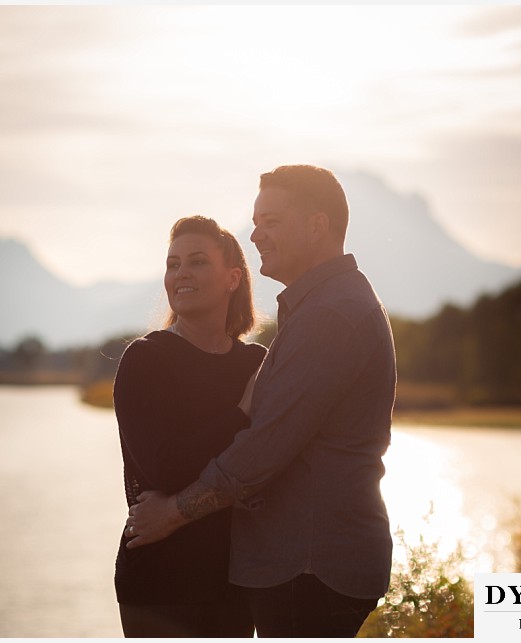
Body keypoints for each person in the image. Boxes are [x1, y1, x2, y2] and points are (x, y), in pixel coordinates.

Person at [125, 165, 397, 638]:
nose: (256, 235)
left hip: (309, 564)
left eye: (271, 221)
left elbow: (262, 450)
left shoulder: (328, 316)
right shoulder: (319, 308)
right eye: (256, 222)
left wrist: (172, 513)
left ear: (317, 225)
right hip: (288, 567)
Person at [113, 215, 265, 637]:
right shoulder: (146, 359)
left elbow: (265, 464)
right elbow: (165, 468)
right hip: (160, 582)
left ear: (232, 278)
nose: (180, 274)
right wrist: (241, 414)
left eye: (197, 262)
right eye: (173, 263)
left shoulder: (255, 364)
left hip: (238, 580)